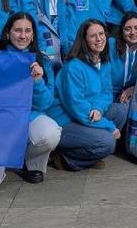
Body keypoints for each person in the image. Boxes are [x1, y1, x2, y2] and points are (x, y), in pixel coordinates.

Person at [0, 13, 63, 189]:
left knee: (49, 133)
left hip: (27, 117)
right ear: (7, 33)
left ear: (33, 35)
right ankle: (1, 161)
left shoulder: (42, 60)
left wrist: (37, 82)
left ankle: (31, 164)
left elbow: (45, 103)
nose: (23, 36)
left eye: (28, 31)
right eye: (18, 30)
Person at [49, 19, 126, 171]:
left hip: (87, 113)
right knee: (108, 142)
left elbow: (107, 92)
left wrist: (98, 108)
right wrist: (109, 126)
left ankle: (88, 155)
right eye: (93, 36)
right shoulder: (73, 67)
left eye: (101, 34)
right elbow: (77, 108)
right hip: (65, 122)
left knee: (120, 110)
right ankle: (65, 158)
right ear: (84, 40)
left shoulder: (104, 62)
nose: (99, 39)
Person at [110, 13, 137, 104]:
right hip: (106, 94)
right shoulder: (111, 45)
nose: (133, 32)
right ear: (122, 30)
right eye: (127, 29)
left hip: (130, 97)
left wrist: (135, 88)